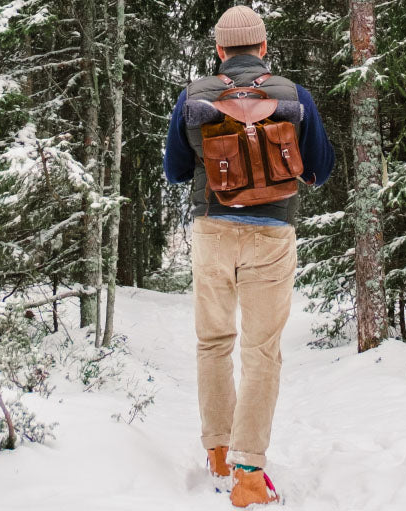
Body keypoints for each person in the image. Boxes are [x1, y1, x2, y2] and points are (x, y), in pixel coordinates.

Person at [162, 5, 335, 507]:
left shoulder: (193, 96)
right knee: (261, 353)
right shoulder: (294, 96)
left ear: (219, 51)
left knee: (213, 342)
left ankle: (217, 451)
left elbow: (175, 172)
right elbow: (319, 169)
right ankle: (248, 475)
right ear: (263, 48)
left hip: (214, 231)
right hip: (273, 233)